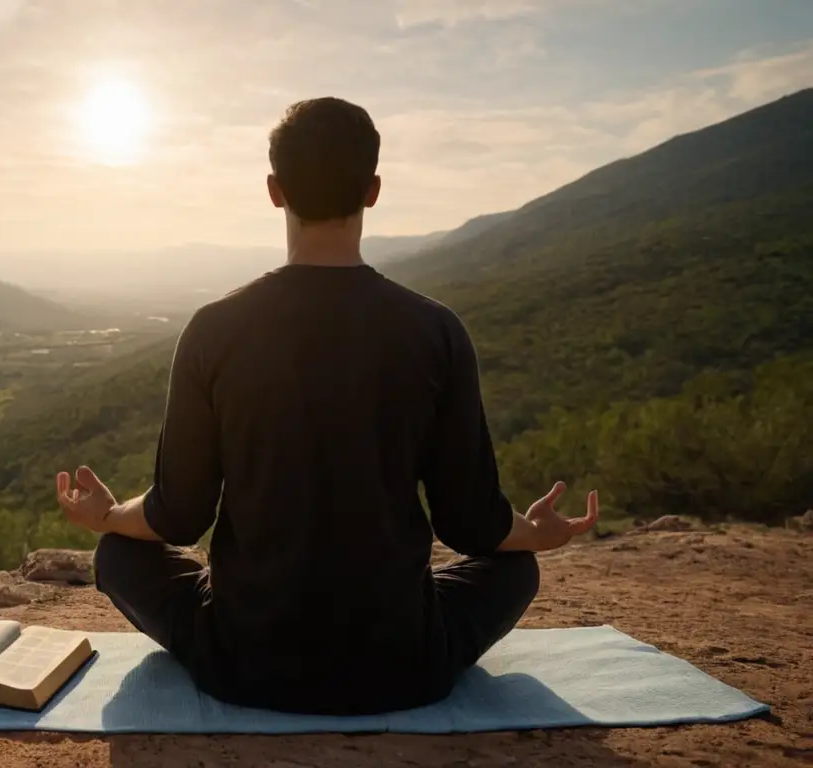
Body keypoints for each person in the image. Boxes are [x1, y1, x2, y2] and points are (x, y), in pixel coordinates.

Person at [54, 96, 600, 716]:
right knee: (516, 570)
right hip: (403, 662)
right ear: (372, 190)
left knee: (119, 556)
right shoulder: (437, 331)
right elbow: (471, 525)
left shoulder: (213, 330)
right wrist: (534, 533)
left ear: (273, 190)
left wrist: (109, 517)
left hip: (245, 661)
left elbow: (178, 517)